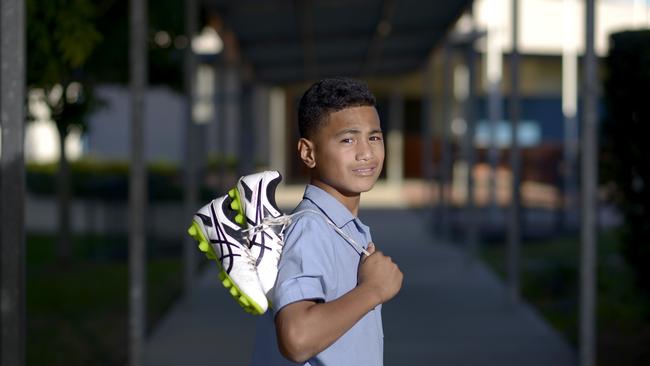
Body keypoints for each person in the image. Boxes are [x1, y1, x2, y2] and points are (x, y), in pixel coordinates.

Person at [250, 77, 404, 366]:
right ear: (309, 153)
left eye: (374, 137)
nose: (366, 153)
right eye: (348, 139)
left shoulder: (342, 228)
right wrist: (373, 290)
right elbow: (296, 339)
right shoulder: (312, 228)